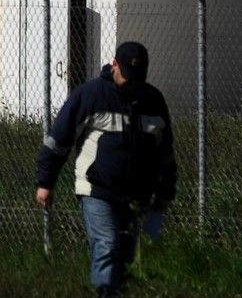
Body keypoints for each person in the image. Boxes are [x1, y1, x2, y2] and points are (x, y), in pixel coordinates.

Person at [35, 41, 176, 297]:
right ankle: (105, 293)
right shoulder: (90, 95)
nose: (132, 83)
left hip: (137, 195)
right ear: (114, 65)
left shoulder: (152, 100)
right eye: (127, 76)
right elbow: (58, 141)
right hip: (97, 190)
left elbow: (164, 152)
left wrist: (165, 192)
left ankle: (116, 291)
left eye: (137, 77)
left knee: (127, 254)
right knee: (107, 244)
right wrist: (46, 182)